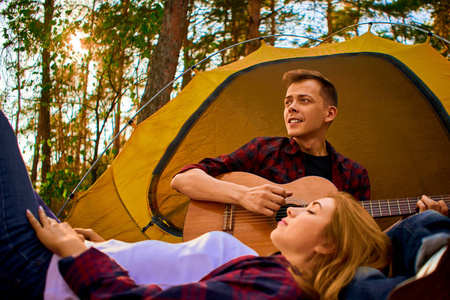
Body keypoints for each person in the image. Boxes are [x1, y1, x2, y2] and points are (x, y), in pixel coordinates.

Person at [171, 69, 370, 217]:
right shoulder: (263, 150)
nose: (291, 107)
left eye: (304, 100)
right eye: (288, 101)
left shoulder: (353, 175)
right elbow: (182, 179)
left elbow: (359, 240)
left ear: (329, 113)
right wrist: (244, 195)